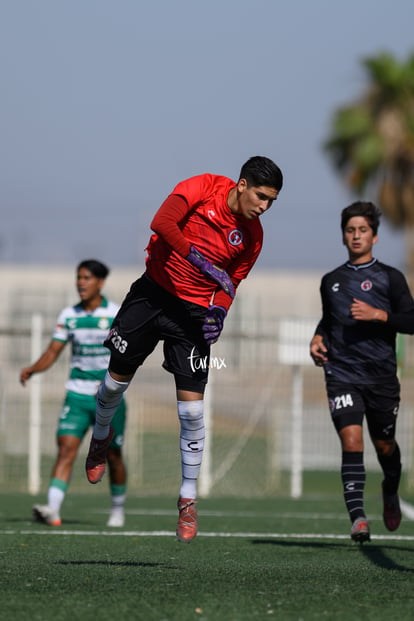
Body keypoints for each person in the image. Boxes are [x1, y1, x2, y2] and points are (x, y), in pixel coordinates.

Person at [84, 156, 283, 542]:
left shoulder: (254, 236)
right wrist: (199, 260)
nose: (264, 207)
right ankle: (101, 437)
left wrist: (219, 314)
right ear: (241, 185)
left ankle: (188, 500)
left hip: (191, 317)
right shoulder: (202, 186)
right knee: (113, 386)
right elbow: (161, 223)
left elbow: (231, 283)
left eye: (272, 201)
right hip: (151, 297)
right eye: (261, 196)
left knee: (191, 411)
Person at [310, 201, 414, 543]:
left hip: (381, 376)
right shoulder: (331, 281)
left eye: (363, 231)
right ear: (343, 236)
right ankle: (357, 518)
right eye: (350, 231)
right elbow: (330, 320)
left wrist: (380, 316)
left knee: (384, 445)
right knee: (351, 439)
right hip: (342, 373)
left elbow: (410, 321)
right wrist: (317, 337)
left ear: (375, 236)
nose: (356, 236)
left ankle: (390, 489)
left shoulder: (390, 278)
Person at [20, 259, 127, 527]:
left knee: (113, 456)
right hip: (76, 396)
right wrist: (34, 368)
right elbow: (53, 351)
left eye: (87, 278)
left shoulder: (116, 314)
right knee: (65, 449)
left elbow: (128, 354)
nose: (81, 282)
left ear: (100, 282)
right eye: (79, 277)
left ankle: (117, 509)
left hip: (109, 398)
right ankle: (53, 510)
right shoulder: (69, 315)